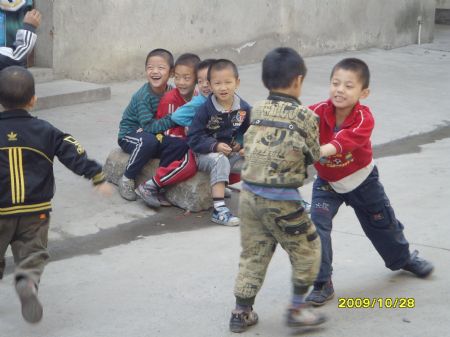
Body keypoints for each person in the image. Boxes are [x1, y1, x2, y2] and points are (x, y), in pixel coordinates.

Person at [305, 58, 434, 306]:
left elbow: (344, 141)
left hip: (363, 182)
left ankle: (403, 258)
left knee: (383, 224)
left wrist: (319, 150)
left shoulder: (364, 118)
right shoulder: (317, 111)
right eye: (335, 83)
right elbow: (296, 120)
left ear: (364, 92)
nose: (340, 89)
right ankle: (323, 282)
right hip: (327, 183)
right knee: (316, 226)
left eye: (349, 85)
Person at [0, 66, 112, 323]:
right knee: (32, 253)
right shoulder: (47, 131)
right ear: (33, 100)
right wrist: (96, 175)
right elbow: (73, 150)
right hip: (35, 211)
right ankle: (27, 280)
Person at [228, 48, 327, 333]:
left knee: (253, 253)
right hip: (281, 201)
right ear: (298, 80)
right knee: (308, 250)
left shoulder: (256, 108)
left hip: (248, 197)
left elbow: (250, 141)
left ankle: (241, 311)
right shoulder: (306, 115)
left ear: (265, 80)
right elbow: (313, 155)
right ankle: (297, 308)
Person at [117, 49, 196, 208]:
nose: (154, 71)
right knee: (148, 141)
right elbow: (149, 126)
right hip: (132, 133)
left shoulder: (170, 91)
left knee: (179, 144)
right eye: (150, 67)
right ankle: (127, 178)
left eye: (160, 68)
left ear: (171, 72)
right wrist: (173, 119)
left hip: (154, 134)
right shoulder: (143, 96)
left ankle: (157, 186)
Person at [188, 59, 250, 226]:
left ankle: (271, 199)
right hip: (205, 155)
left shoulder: (243, 108)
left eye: (228, 82)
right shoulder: (205, 110)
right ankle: (219, 209)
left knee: (258, 158)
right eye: (217, 83)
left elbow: (250, 131)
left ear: (237, 82)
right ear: (210, 85)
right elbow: (193, 138)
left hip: (232, 153)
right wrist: (214, 146)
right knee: (219, 159)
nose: (223, 88)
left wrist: (242, 144)